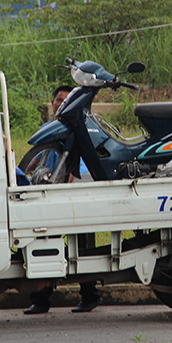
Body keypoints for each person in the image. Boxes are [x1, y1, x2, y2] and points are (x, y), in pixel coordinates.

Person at [23, 85, 102, 314]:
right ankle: (41, 300)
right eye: (58, 100)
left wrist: (64, 189)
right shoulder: (48, 130)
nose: (61, 104)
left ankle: (90, 296)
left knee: (83, 247)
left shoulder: (82, 131)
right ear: (52, 103)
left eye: (67, 101)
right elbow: (39, 160)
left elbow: (78, 169)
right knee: (44, 245)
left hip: (71, 196)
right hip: (47, 195)